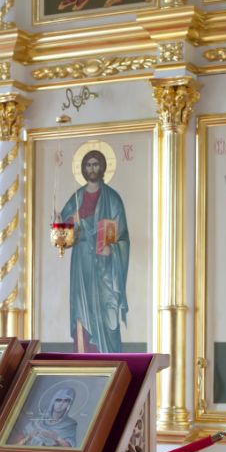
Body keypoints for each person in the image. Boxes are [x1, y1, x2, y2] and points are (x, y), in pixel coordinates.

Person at [60, 149, 130, 353]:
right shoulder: (76, 198)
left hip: (105, 270)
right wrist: (64, 223)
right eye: (88, 165)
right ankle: (84, 357)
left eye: (95, 164)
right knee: (82, 311)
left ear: (102, 167)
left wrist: (112, 250)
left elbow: (123, 238)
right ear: (83, 169)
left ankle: (109, 359)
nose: (92, 169)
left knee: (107, 315)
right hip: (82, 265)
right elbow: (64, 237)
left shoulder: (113, 199)